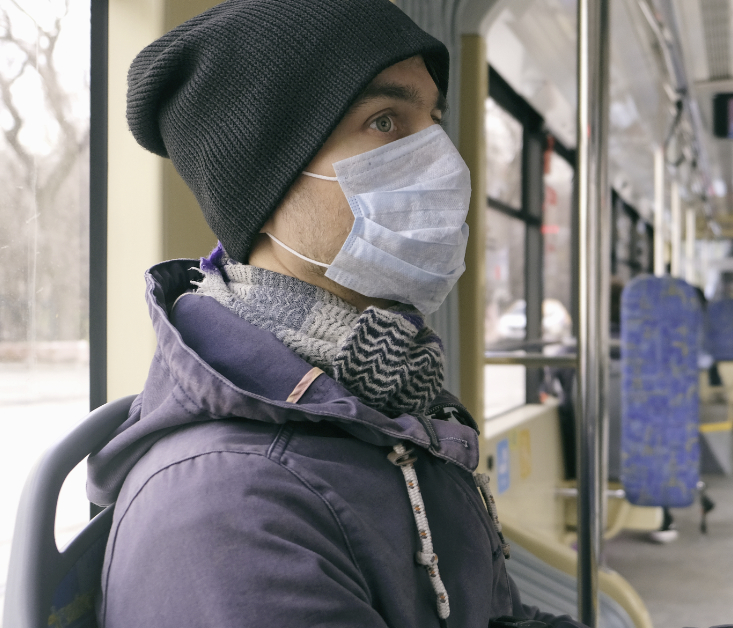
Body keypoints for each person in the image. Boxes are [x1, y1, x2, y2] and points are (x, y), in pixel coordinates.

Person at [85, 2, 583, 626]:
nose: (446, 164)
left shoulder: (389, 409)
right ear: (267, 176)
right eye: (384, 121)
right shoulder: (235, 507)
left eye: (433, 120)